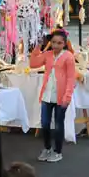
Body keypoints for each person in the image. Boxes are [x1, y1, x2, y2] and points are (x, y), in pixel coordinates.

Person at [29, 30, 76, 164]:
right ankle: (47, 148)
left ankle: (58, 151)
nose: (56, 45)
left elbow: (71, 78)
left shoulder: (68, 57)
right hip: (47, 94)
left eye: (59, 43)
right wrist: (37, 47)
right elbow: (33, 64)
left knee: (59, 124)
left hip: (61, 96)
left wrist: (67, 96)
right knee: (44, 122)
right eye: (54, 42)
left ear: (64, 43)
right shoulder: (47, 54)